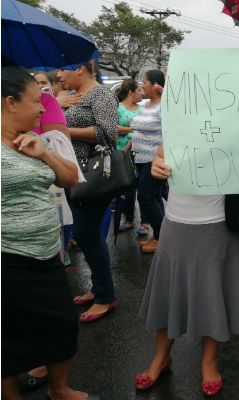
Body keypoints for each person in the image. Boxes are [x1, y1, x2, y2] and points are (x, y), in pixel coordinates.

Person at [1, 66, 97, 400]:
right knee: (8, 335)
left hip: (46, 253)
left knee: (62, 324)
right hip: (7, 259)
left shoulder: (38, 139)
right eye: (35, 101)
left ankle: (59, 390)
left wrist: (44, 154)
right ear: (11, 103)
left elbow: (71, 178)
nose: (44, 108)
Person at [135, 145, 239, 396]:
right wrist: (157, 164)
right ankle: (161, 356)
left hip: (219, 222)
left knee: (212, 295)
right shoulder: (179, 117)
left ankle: (209, 360)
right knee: (169, 291)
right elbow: (162, 153)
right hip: (176, 219)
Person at [58, 60, 119, 322]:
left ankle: (106, 296)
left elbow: (109, 134)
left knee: (87, 235)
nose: (59, 75)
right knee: (86, 235)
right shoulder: (70, 96)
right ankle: (98, 288)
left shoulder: (101, 94)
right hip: (74, 174)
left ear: (81, 68)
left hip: (94, 177)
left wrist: (63, 131)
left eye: (63, 69)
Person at [130, 70, 165, 253]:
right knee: (153, 196)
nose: (142, 85)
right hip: (140, 158)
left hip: (154, 159)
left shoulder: (164, 106)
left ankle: (162, 238)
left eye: (144, 82)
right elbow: (136, 130)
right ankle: (159, 236)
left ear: (155, 85)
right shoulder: (146, 105)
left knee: (145, 196)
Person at [115, 79, 144, 231]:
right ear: (131, 92)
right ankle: (129, 219)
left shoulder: (142, 108)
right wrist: (134, 129)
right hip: (122, 152)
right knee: (127, 187)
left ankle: (145, 223)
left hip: (141, 151)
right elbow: (114, 128)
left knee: (143, 189)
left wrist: (129, 128)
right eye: (139, 90)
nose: (142, 93)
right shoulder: (118, 108)